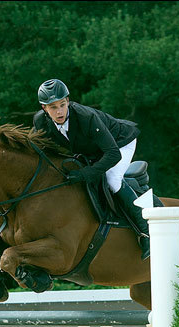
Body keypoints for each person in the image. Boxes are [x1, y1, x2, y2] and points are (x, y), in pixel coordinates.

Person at [33, 79, 150, 260]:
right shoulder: (40, 122)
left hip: (120, 143)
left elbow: (112, 155)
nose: (59, 111)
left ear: (68, 101)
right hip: (95, 149)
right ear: (44, 108)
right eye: (53, 107)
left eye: (63, 105)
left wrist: (83, 174)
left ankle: (146, 231)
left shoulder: (85, 117)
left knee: (112, 179)